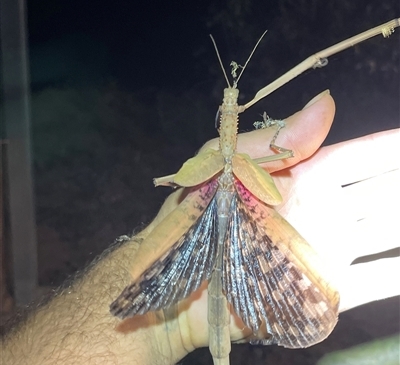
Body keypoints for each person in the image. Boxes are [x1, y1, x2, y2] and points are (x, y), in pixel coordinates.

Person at [2, 91, 399, 365]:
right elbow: (267, 194)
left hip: (235, 215)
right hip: (224, 211)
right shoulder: (221, 171)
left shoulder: (219, 172)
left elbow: (270, 196)